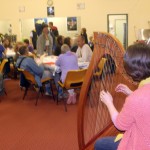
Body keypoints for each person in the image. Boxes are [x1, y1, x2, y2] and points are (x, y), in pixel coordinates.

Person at [94, 43, 150, 150]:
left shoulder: (136, 98)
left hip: (142, 144)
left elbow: (120, 125)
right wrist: (131, 92)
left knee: (99, 144)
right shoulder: (140, 94)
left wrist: (109, 102)